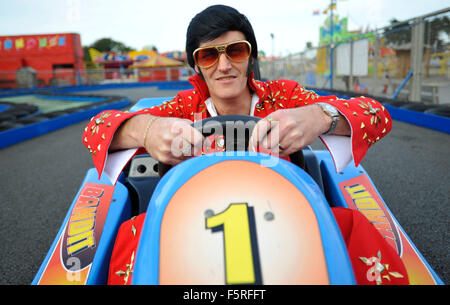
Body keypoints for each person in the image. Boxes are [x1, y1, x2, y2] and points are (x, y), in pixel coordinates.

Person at [83, 5, 408, 285]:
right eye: (209, 55)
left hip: (289, 215)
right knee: (130, 237)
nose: (224, 66)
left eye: (235, 51)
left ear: (250, 54)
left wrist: (319, 116)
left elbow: (376, 114)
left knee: (353, 229)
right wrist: (147, 129)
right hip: (189, 220)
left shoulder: (285, 97)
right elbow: (96, 129)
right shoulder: (180, 109)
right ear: (196, 65)